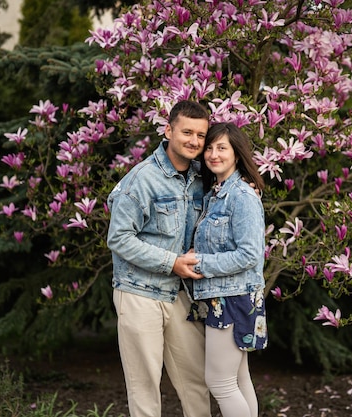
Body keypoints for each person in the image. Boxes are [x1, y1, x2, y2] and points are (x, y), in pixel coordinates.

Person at [106, 100, 212, 417]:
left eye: (201, 135)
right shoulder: (142, 179)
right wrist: (172, 262)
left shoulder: (201, 178)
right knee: (145, 387)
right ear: (168, 131)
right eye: (187, 132)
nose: (194, 141)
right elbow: (119, 237)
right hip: (139, 293)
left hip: (180, 295)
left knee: (196, 382)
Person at [185, 122, 268, 417]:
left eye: (221, 148)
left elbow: (248, 255)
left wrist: (200, 263)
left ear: (236, 153)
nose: (213, 154)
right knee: (238, 379)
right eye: (209, 147)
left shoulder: (241, 197)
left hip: (233, 299)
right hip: (227, 296)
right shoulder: (215, 195)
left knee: (219, 382)